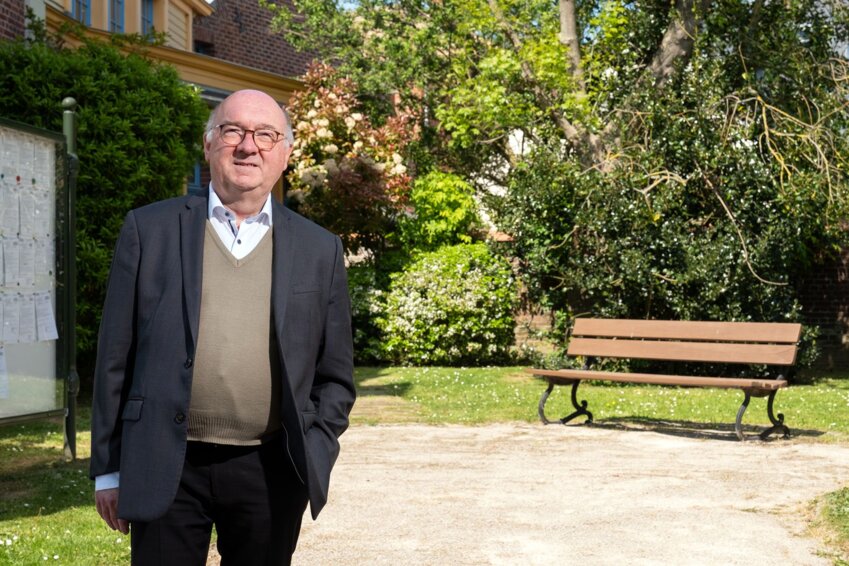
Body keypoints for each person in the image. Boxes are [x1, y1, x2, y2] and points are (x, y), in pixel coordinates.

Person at [89, 89, 356, 565]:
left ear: (286, 153)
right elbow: (114, 358)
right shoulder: (148, 231)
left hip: (271, 468)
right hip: (166, 463)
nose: (248, 146)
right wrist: (108, 470)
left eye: (265, 135)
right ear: (208, 144)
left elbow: (335, 374)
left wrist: (317, 443)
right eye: (233, 130)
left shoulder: (320, 250)